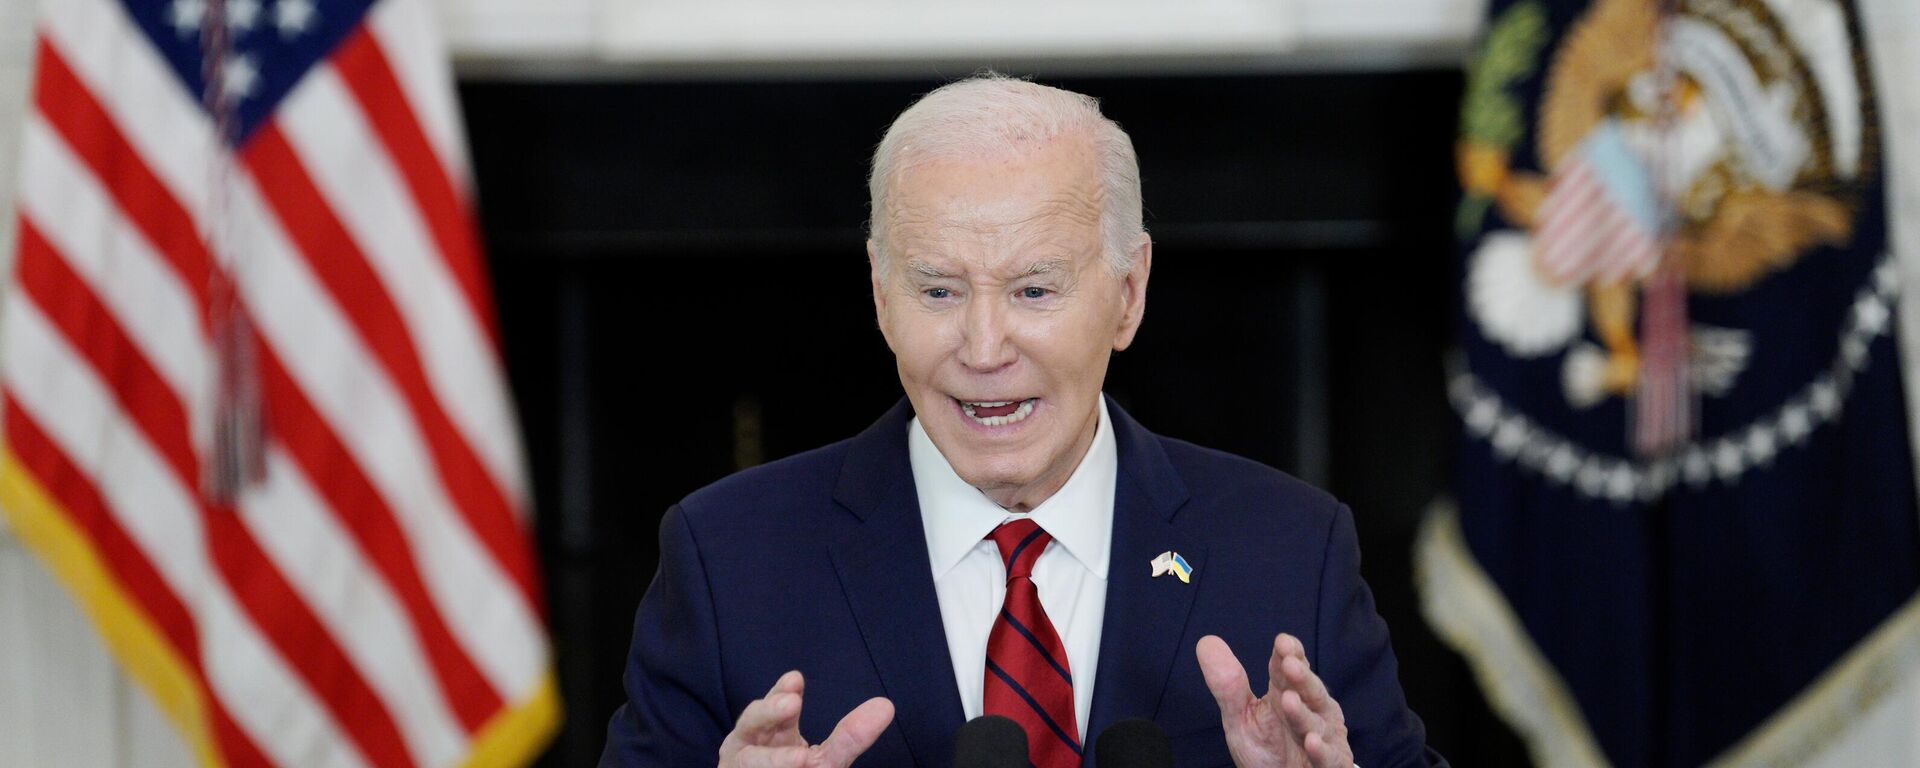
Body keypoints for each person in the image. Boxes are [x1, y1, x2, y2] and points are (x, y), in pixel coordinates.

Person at [600, 74, 1446, 768]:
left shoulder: (1293, 551)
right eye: (939, 289)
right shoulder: (727, 559)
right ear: (881, 296)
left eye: (1034, 290)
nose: (983, 345)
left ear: (1128, 293)